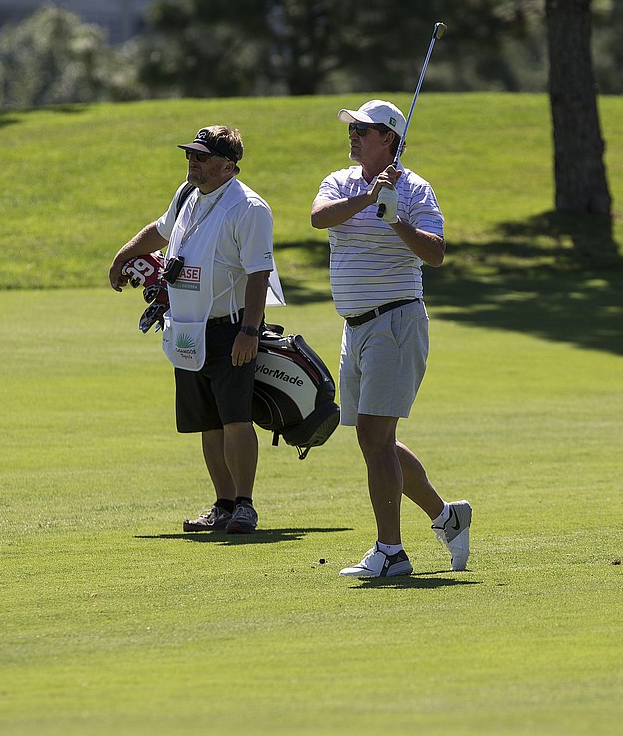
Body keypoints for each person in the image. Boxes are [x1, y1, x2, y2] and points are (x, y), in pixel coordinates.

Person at [310, 99, 471, 577]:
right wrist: (367, 199)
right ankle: (447, 517)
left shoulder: (417, 189)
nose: (354, 135)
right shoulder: (340, 181)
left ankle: (391, 552)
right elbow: (319, 217)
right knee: (372, 438)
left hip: (396, 322)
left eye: (365, 129)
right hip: (354, 326)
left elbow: (436, 254)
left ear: (390, 139)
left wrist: (395, 218)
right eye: (352, 128)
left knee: (376, 438)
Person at [110, 125, 283, 535]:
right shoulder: (187, 194)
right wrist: (125, 253)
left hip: (230, 328)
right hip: (187, 327)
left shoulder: (249, 208)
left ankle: (244, 505)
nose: (193, 161)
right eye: (190, 154)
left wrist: (250, 331)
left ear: (228, 167)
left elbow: (259, 275)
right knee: (206, 421)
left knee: (235, 419)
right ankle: (222, 504)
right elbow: (161, 229)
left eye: (201, 157)